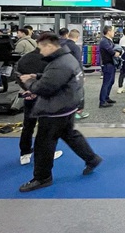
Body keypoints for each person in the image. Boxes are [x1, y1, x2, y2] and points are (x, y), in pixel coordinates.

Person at [18, 33, 102, 192]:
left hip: (55, 110)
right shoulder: (67, 58)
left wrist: (29, 82)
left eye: (41, 48)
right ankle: (92, 158)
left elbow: (44, 88)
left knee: (43, 144)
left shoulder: (59, 64)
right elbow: (58, 78)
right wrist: (37, 76)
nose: (40, 52)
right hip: (67, 107)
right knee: (69, 134)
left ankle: (42, 178)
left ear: (50, 46)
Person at [15, 47, 63, 165]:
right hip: (45, 97)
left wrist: (27, 90)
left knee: (28, 126)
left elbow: (18, 76)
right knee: (46, 127)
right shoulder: (50, 59)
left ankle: (25, 154)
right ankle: (46, 154)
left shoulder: (24, 58)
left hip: (29, 96)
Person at [63, 29, 88, 120]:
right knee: (79, 92)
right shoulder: (75, 47)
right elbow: (78, 61)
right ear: (77, 37)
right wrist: (82, 74)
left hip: (63, 72)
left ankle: (67, 112)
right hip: (74, 73)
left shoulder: (62, 45)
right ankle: (78, 112)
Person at [98, 26, 120, 108]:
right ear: (108, 32)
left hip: (111, 64)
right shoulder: (104, 41)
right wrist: (116, 53)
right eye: (113, 31)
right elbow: (112, 52)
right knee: (106, 83)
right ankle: (102, 101)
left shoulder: (109, 40)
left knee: (111, 82)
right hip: (107, 64)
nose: (114, 33)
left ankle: (106, 98)